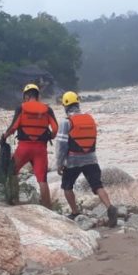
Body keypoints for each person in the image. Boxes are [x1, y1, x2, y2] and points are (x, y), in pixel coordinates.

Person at [55, 91, 118, 227]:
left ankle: (75, 212)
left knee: (67, 186)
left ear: (65, 106)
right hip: (91, 159)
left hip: (73, 160)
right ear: (78, 104)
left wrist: (59, 164)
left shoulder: (66, 122)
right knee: (97, 185)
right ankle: (110, 207)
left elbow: (61, 145)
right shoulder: (90, 119)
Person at [1, 84, 59, 208]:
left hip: (24, 148)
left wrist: (4, 137)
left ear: (26, 96)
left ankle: (14, 201)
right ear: (37, 96)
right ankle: (47, 208)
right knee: (42, 179)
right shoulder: (47, 109)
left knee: (12, 171)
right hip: (40, 149)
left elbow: (14, 127)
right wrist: (51, 137)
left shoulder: (21, 108)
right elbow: (55, 128)